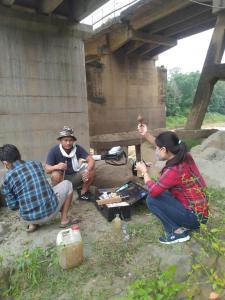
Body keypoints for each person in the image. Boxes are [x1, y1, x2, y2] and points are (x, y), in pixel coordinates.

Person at [136, 124, 208, 244]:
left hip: (195, 218)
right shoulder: (185, 156)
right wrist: (146, 134)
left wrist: (144, 172)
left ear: (164, 150)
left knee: (151, 199)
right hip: (201, 212)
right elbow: (163, 145)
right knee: (161, 194)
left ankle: (177, 232)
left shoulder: (174, 170)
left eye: (157, 148)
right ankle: (183, 223)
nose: (156, 151)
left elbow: (153, 191)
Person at [0, 144, 76, 233]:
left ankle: (32, 224)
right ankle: (64, 220)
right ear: (18, 155)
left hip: (28, 218)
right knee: (68, 184)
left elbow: (13, 206)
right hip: (50, 212)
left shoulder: (6, 179)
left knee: (27, 198)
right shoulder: (36, 163)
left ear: (5, 163)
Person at [45, 126, 96, 201]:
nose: (68, 143)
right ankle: (58, 195)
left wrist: (87, 170)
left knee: (92, 170)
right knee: (55, 174)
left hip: (75, 176)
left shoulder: (77, 148)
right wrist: (57, 166)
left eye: (70, 140)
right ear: (60, 141)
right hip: (62, 178)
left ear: (73, 141)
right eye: (65, 140)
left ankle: (83, 193)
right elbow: (47, 169)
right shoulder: (54, 151)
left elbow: (91, 160)